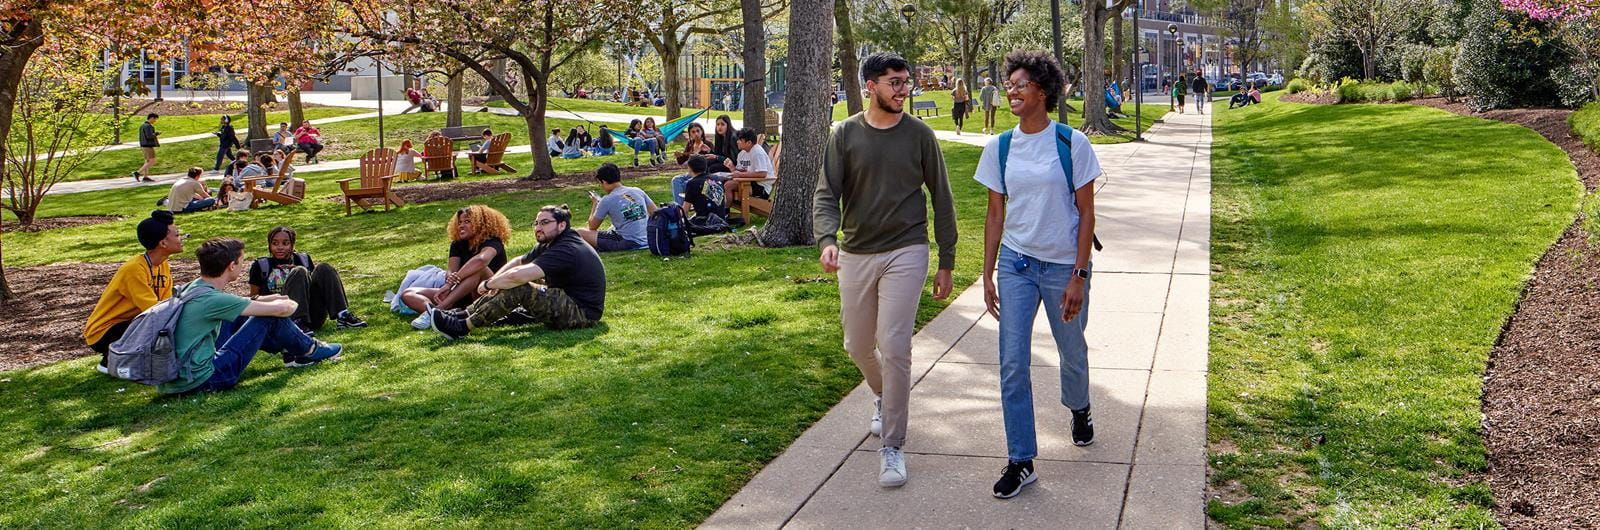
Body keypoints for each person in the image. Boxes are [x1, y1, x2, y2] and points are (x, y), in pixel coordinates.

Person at [812, 52, 957, 488]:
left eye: (906, 81)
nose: (904, 89)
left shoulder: (920, 135)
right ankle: (882, 395)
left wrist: (946, 260)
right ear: (870, 85)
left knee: (894, 345)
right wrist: (827, 239)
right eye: (895, 82)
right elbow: (825, 194)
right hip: (856, 251)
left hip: (906, 249)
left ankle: (892, 446)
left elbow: (943, 199)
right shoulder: (845, 134)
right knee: (857, 344)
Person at [974, 50, 1104, 500]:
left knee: (1072, 350)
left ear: (1043, 91)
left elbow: (1086, 213)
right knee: (1012, 363)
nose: (1011, 90)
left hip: (1063, 264)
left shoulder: (1071, 143)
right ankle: (1021, 459)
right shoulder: (1000, 147)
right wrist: (987, 273)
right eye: (1008, 84)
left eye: (1019, 84)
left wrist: (1079, 275)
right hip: (1017, 263)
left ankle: (1080, 407)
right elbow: (995, 214)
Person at [158, 237, 345, 395]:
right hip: (206, 380)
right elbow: (283, 310)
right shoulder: (213, 299)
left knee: (240, 315)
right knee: (267, 317)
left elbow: (233, 302)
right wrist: (288, 302)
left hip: (176, 380)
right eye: (241, 262)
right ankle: (309, 350)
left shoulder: (194, 288)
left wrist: (265, 299)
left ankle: (293, 351)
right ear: (232, 266)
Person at [427, 204, 606, 340]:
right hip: (564, 299)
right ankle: (463, 314)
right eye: (536, 223)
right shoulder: (553, 242)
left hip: (581, 313)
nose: (538, 228)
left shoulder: (566, 248)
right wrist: (497, 279)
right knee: (508, 282)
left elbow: (519, 276)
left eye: (545, 223)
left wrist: (488, 284)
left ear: (561, 225)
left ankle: (462, 327)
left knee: (518, 286)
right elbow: (519, 261)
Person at [84, 210, 181, 374]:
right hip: (104, 332)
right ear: (162, 243)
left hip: (131, 322)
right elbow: (152, 310)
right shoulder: (134, 269)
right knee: (157, 322)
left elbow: (165, 305)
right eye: (177, 235)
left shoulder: (162, 264)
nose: (181, 238)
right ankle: (110, 361)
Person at [400, 205, 512, 330]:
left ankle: (438, 310)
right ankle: (446, 315)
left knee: (479, 269)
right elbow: (451, 269)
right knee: (408, 293)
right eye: (459, 223)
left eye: (467, 222)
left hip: (488, 294)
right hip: (461, 292)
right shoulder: (458, 244)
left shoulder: (493, 242)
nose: (461, 226)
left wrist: (450, 283)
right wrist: (450, 279)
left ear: (481, 224)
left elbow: (481, 260)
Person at [248, 226, 368, 333]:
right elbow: (254, 298)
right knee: (299, 271)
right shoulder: (261, 265)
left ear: (293, 245)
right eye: (275, 243)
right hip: (282, 316)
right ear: (269, 245)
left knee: (324, 268)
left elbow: (314, 288)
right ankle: (297, 322)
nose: (280, 247)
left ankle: (343, 315)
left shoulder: (303, 259)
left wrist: (297, 271)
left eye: (285, 243)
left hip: (312, 316)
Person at [578, 163, 656, 252]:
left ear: (603, 182)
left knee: (579, 232)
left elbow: (592, 227)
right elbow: (655, 212)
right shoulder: (637, 191)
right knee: (612, 227)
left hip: (628, 242)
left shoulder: (607, 200)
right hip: (648, 239)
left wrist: (595, 204)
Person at [727, 127, 775, 205]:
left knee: (729, 185)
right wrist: (732, 167)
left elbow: (762, 173)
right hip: (750, 182)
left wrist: (740, 174)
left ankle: (725, 212)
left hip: (762, 187)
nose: (737, 142)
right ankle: (724, 211)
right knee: (725, 182)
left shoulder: (757, 153)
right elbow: (741, 171)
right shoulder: (742, 153)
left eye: (740, 140)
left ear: (748, 142)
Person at [133, 113, 159, 182]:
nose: (155, 121)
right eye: (155, 119)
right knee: (152, 161)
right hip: (148, 146)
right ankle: (137, 173)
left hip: (143, 145)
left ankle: (145, 177)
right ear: (151, 118)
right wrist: (156, 134)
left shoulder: (142, 126)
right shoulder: (148, 126)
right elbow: (149, 136)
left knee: (147, 161)